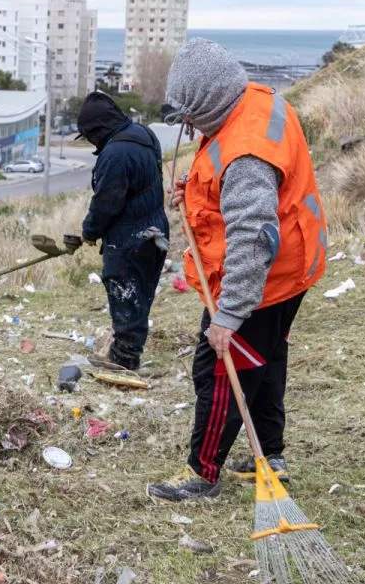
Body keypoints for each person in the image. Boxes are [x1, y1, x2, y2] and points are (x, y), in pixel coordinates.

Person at [147, 39, 327, 502]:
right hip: (294, 265)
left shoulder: (246, 154)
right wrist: (193, 190)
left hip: (263, 277)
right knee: (264, 360)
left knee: (220, 371)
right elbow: (229, 177)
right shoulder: (252, 103)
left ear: (211, 101)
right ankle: (271, 454)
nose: (188, 128)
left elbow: (252, 236)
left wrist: (229, 315)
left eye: (190, 117)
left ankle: (202, 473)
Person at [76, 91, 169, 371]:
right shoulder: (143, 134)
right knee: (140, 295)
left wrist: (89, 231)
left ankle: (124, 361)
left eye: (90, 135)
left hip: (130, 238)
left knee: (125, 295)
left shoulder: (116, 153)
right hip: (155, 230)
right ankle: (126, 352)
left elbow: (106, 201)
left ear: (98, 129)